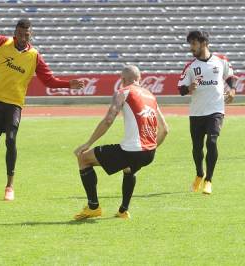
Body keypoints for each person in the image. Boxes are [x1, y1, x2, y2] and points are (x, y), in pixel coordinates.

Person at [0, 3, 84, 201]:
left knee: (11, 141)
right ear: (15, 33)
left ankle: (9, 186)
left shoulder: (34, 56)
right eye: (21, 34)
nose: (24, 38)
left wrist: (68, 84)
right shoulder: (1, 43)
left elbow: (49, 81)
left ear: (31, 35)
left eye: (27, 35)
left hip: (14, 104)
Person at [73, 65, 168, 220]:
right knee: (129, 168)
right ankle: (123, 210)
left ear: (122, 80)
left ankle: (93, 207)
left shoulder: (123, 92)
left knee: (83, 158)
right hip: (149, 153)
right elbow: (165, 130)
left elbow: (109, 119)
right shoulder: (151, 96)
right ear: (140, 78)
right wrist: (150, 148)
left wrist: (87, 143)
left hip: (132, 151)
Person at [178, 31, 237, 195]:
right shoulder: (191, 66)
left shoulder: (221, 61)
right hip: (197, 113)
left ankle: (209, 180)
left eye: (193, 43)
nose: (191, 48)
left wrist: (232, 89)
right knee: (197, 148)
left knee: (211, 142)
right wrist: (189, 88)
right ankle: (199, 174)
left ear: (203, 43)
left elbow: (230, 76)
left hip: (215, 110)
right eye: (190, 44)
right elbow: (181, 88)